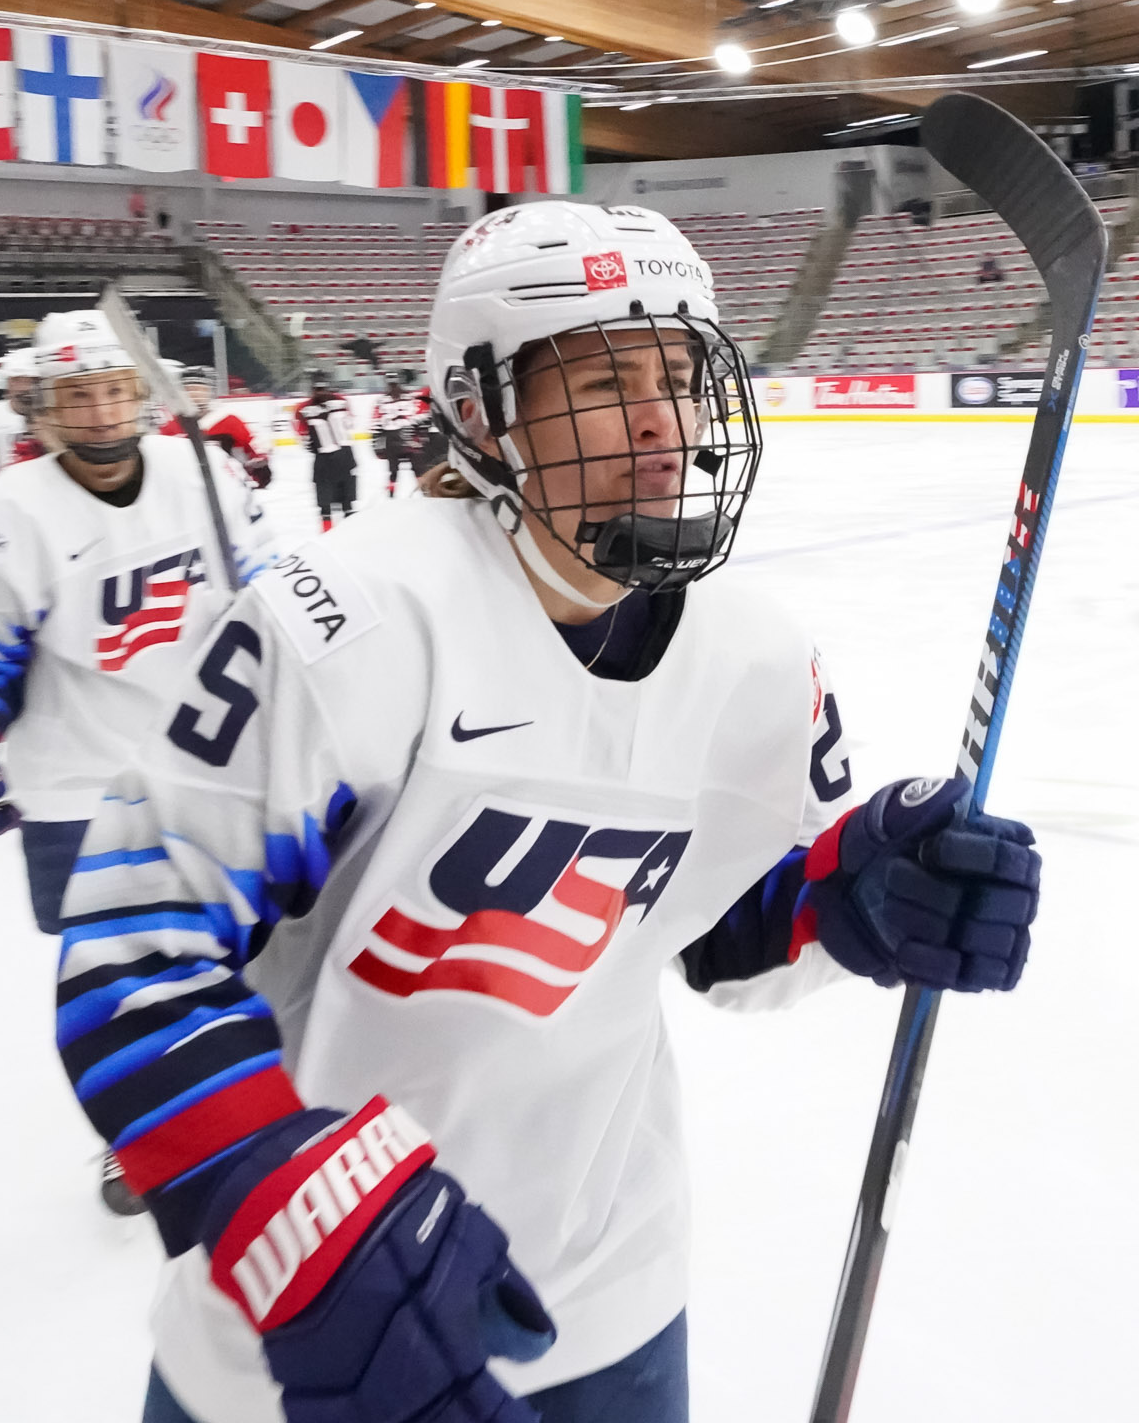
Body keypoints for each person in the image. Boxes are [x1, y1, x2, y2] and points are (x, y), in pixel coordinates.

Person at [55, 202, 1044, 1423]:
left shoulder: (754, 657)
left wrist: (850, 899)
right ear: (479, 411)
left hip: (609, 1299)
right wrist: (287, 1211)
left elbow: (717, 933)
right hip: (305, 1322)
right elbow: (131, 957)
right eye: (603, 375)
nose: (659, 417)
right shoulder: (348, 624)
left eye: (678, 372)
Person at [0, 310, 277, 1214]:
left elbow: (271, 597)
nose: (103, 413)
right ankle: (142, 1133)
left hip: (212, 757)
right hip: (75, 784)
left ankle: (256, 1100)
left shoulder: (208, 476)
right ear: (43, 408)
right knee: (120, 978)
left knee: (256, 941)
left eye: (116, 391)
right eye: (79, 396)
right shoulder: (7, 511)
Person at [167, 363, 270, 487]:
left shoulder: (228, 421)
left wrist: (259, 467)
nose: (194, 394)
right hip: (187, 489)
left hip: (227, 488)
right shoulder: (170, 426)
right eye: (189, 389)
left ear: (211, 392)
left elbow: (253, 449)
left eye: (201, 389)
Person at [295, 368, 357, 530]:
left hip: (324, 460)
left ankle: (327, 532)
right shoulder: (342, 401)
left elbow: (304, 438)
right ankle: (352, 531)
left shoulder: (302, 409)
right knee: (348, 503)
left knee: (325, 506)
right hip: (345, 456)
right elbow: (350, 424)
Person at [0, 348, 44, 469]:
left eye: (34, 381)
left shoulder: (54, 418)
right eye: (18, 380)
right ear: (9, 383)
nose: (27, 388)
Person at [370, 374, 417, 497]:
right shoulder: (409, 397)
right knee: (414, 467)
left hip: (395, 437)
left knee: (395, 469)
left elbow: (375, 424)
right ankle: (424, 490)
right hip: (405, 436)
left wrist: (375, 445)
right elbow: (417, 417)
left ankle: (392, 494)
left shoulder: (382, 401)